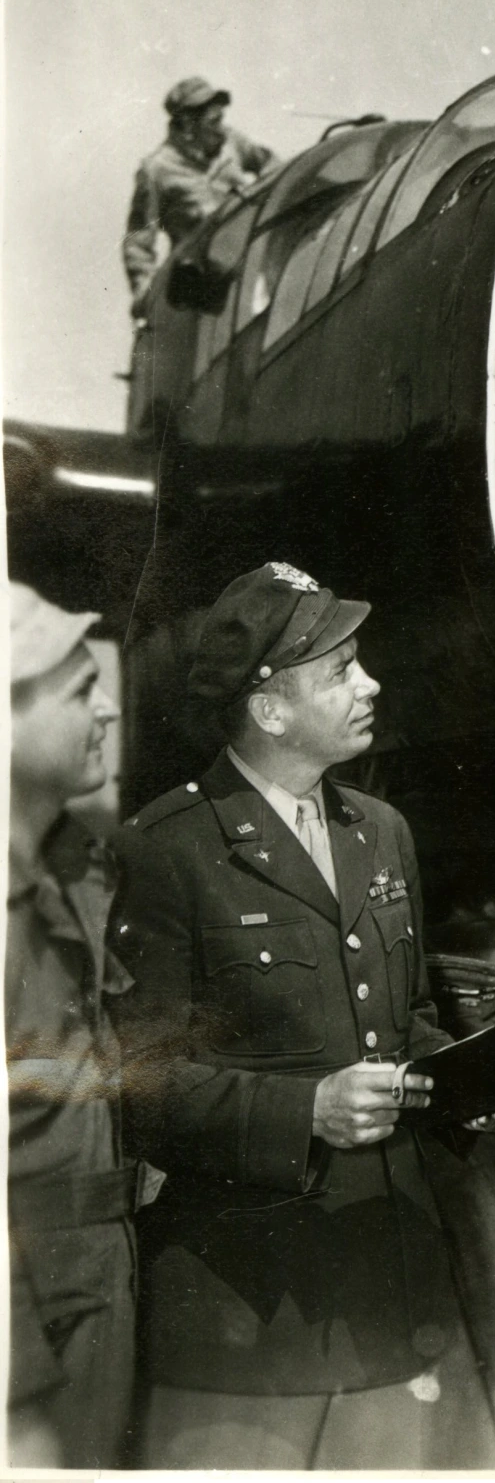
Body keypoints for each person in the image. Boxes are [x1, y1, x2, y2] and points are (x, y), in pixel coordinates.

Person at [108, 562, 495, 1469]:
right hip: (251, 1307)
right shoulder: (167, 852)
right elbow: (135, 1088)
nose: (371, 686)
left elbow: (411, 1023)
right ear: (270, 711)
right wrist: (306, 1111)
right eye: (341, 671)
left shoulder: (381, 831)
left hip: (398, 1284)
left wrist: (490, 1073)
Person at [6, 584, 136, 1467]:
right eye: (78, 688)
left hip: (90, 1287)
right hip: (30, 1329)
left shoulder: (71, 868)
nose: (110, 705)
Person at [122, 76, 279, 312]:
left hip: (254, 262)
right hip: (210, 293)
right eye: (213, 122)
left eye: (221, 120)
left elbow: (271, 166)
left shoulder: (231, 141)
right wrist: (147, 298)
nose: (221, 129)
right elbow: (139, 242)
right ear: (187, 126)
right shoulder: (156, 170)